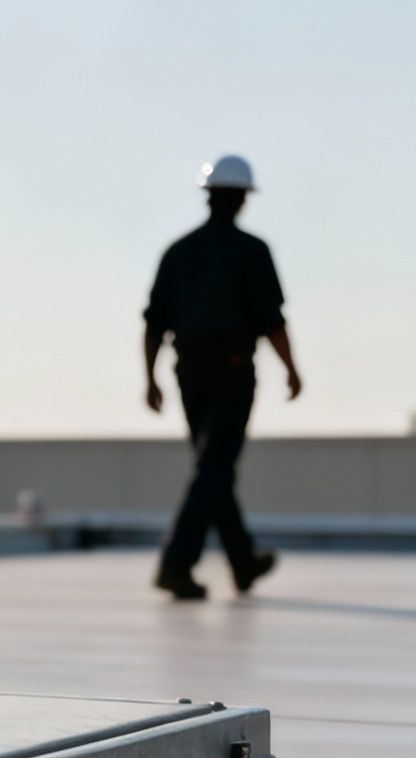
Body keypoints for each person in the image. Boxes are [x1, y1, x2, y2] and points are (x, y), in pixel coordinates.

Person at [142, 154, 303, 601]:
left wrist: (151, 378)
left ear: (209, 196)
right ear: (243, 200)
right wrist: (291, 368)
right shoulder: (251, 251)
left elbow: (154, 323)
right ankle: (176, 563)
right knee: (214, 468)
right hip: (231, 371)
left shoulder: (178, 252)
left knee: (213, 468)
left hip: (187, 372)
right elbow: (272, 320)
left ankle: (242, 561)